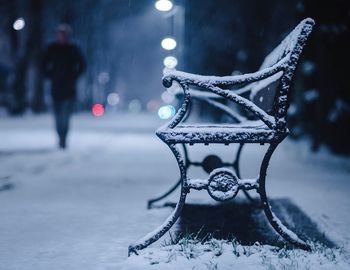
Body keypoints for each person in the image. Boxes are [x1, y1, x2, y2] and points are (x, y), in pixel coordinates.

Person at [43, 24, 86, 149]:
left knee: (66, 115)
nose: (62, 37)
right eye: (60, 34)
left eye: (64, 35)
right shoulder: (52, 49)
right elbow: (43, 64)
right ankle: (60, 136)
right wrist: (51, 75)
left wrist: (73, 75)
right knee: (57, 115)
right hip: (56, 88)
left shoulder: (73, 49)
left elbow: (82, 65)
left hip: (69, 88)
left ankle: (64, 138)